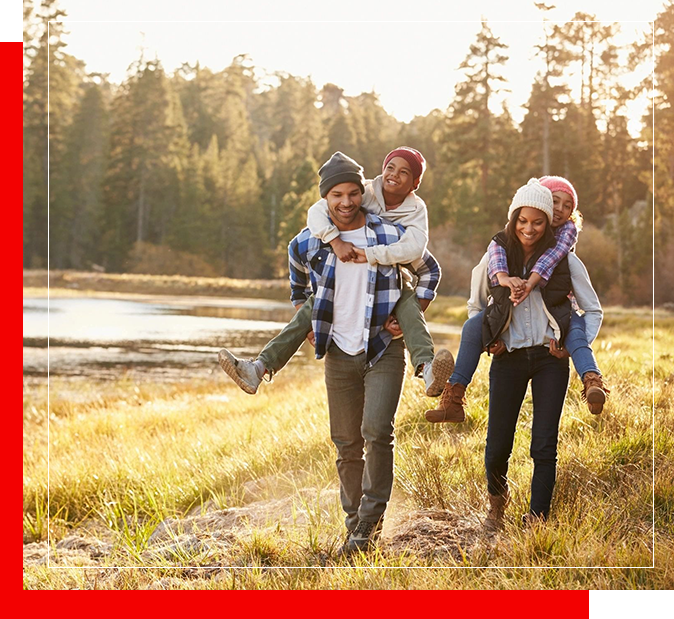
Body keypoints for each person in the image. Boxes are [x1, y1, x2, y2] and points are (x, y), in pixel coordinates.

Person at [227, 153, 443, 554]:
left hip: (382, 347)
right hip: (339, 351)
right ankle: (356, 529)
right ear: (325, 198)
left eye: (353, 193)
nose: (345, 202)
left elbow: (429, 267)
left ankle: (370, 520)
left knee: (377, 432)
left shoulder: (387, 233)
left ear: (364, 193)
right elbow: (296, 267)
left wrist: (419, 306)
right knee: (345, 444)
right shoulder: (312, 237)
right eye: (336, 194)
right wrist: (304, 313)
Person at [218, 149, 454, 401]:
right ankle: (258, 368)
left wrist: (409, 311)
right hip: (340, 283)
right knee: (311, 307)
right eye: (390, 167)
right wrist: (335, 241)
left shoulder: (413, 213)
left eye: (404, 172)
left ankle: (427, 369)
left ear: (415, 183)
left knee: (407, 303)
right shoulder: (362, 191)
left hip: (392, 281)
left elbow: (419, 252)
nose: (394, 175)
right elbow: (317, 212)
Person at [461, 178, 603, 529]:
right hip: (507, 358)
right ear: (515, 219)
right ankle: (497, 506)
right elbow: (475, 306)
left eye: (538, 221)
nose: (530, 227)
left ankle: (538, 517)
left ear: (546, 224)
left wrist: (570, 345)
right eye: (524, 220)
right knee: (497, 445)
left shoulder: (566, 261)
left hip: (548, 361)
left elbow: (593, 310)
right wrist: (490, 337)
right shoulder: (496, 257)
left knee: (544, 444)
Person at [426, 175, 608, 424]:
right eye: (555, 202)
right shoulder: (500, 245)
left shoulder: (564, 244)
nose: (560, 210)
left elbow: (552, 261)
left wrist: (530, 283)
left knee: (576, 332)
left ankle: (592, 380)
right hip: (509, 342)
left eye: (567, 206)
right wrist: (491, 334)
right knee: (471, 327)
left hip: (558, 318)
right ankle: (454, 395)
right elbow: (480, 293)